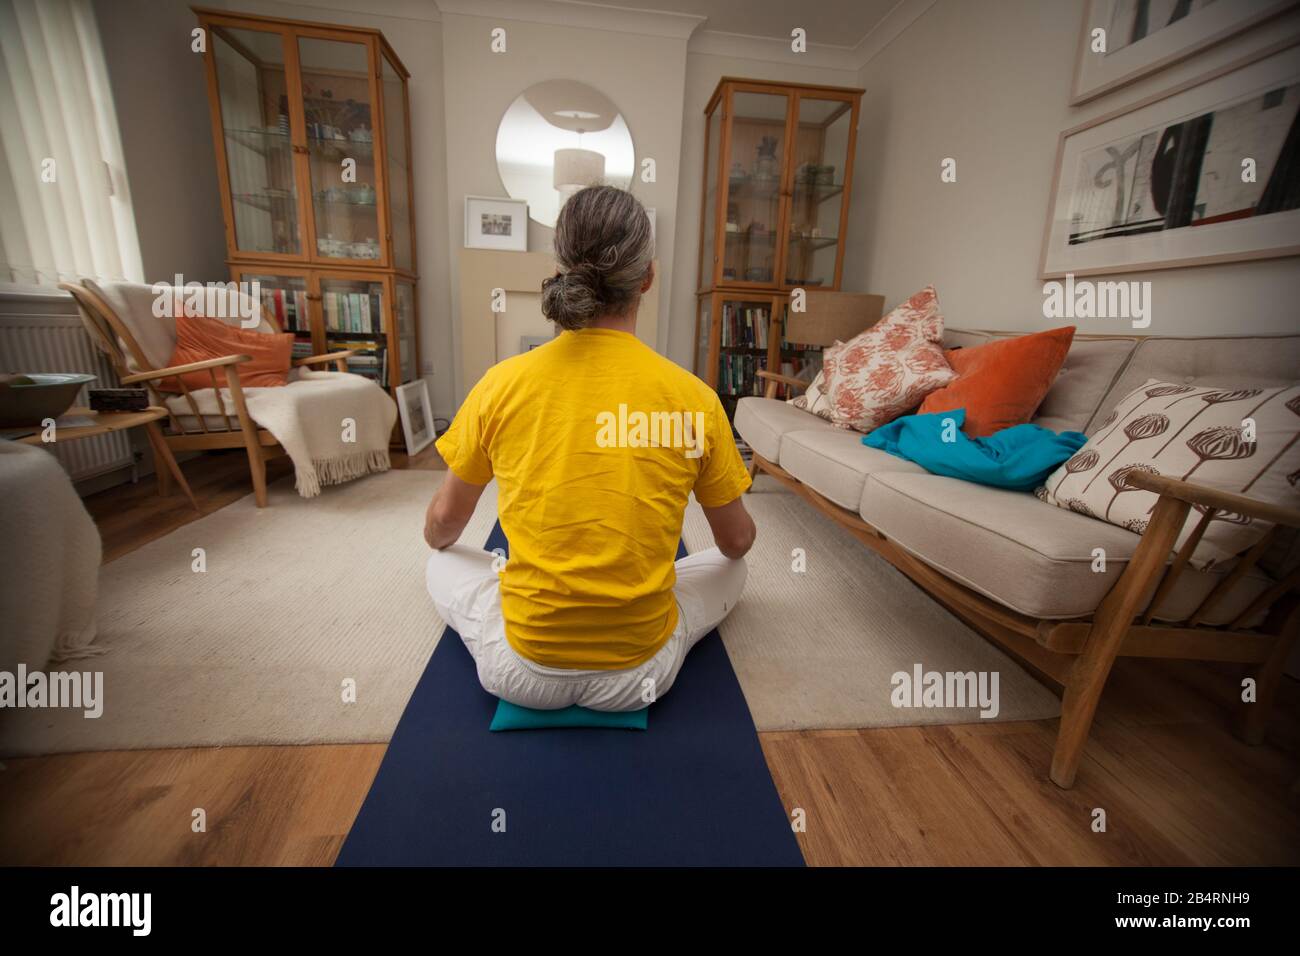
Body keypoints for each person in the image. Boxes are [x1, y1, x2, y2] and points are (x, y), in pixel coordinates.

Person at [423, 185, 755, 711]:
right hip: (641, 676)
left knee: (438, 562)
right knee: (733, 569)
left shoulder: (499, 383)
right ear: (647, 277)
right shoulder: (695, 398)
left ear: (562, 267)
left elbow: (443, 526)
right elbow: (736, 542)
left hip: (521, 669)